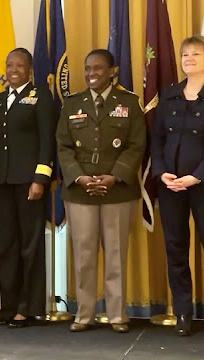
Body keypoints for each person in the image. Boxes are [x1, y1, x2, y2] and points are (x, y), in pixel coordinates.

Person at [151, 35, 204, 339]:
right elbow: (158, 139)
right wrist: (161, 173)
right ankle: (183, 313)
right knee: (176, 249)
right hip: (170, 184)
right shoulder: (170, 94)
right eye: (185, 54)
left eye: (196, 54)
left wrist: (196, 176)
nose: (189, 58)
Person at [56, 49, 146, 334]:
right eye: (88, 68)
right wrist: (80, 178)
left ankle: (117, 315)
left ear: (112, 71)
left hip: (117, 190)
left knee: (116, 253)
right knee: (83, 255)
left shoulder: (129, 103)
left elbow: (136, 145)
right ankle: (84, 314)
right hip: (80, 191)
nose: (92, 73)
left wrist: (114, 176)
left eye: (98, 68)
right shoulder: (72, 105)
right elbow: (63, 146)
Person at [0, 48, 56, 328]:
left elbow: (47, 139)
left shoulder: (41, 96)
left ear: (30, 69)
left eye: (20, 65)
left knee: (30, 244)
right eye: (9, 64)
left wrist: (40, 178)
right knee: (8, 245)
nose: (13, 70)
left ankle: (28, 307)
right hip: (2, 182)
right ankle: (9, 305)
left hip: (29, 182)